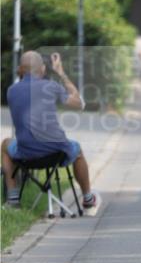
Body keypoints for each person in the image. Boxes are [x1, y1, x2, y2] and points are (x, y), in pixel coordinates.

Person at [2, 51, 101, 213]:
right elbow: (80, 104)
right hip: (57, 152)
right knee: (78, 150)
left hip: (25, 154)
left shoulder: (11, 91)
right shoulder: (51, 87)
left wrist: (22, 73)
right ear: (42, 69)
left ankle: (13, 200)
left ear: (20, 70)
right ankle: (88, 199)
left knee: (5, 144)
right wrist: (61, 73)